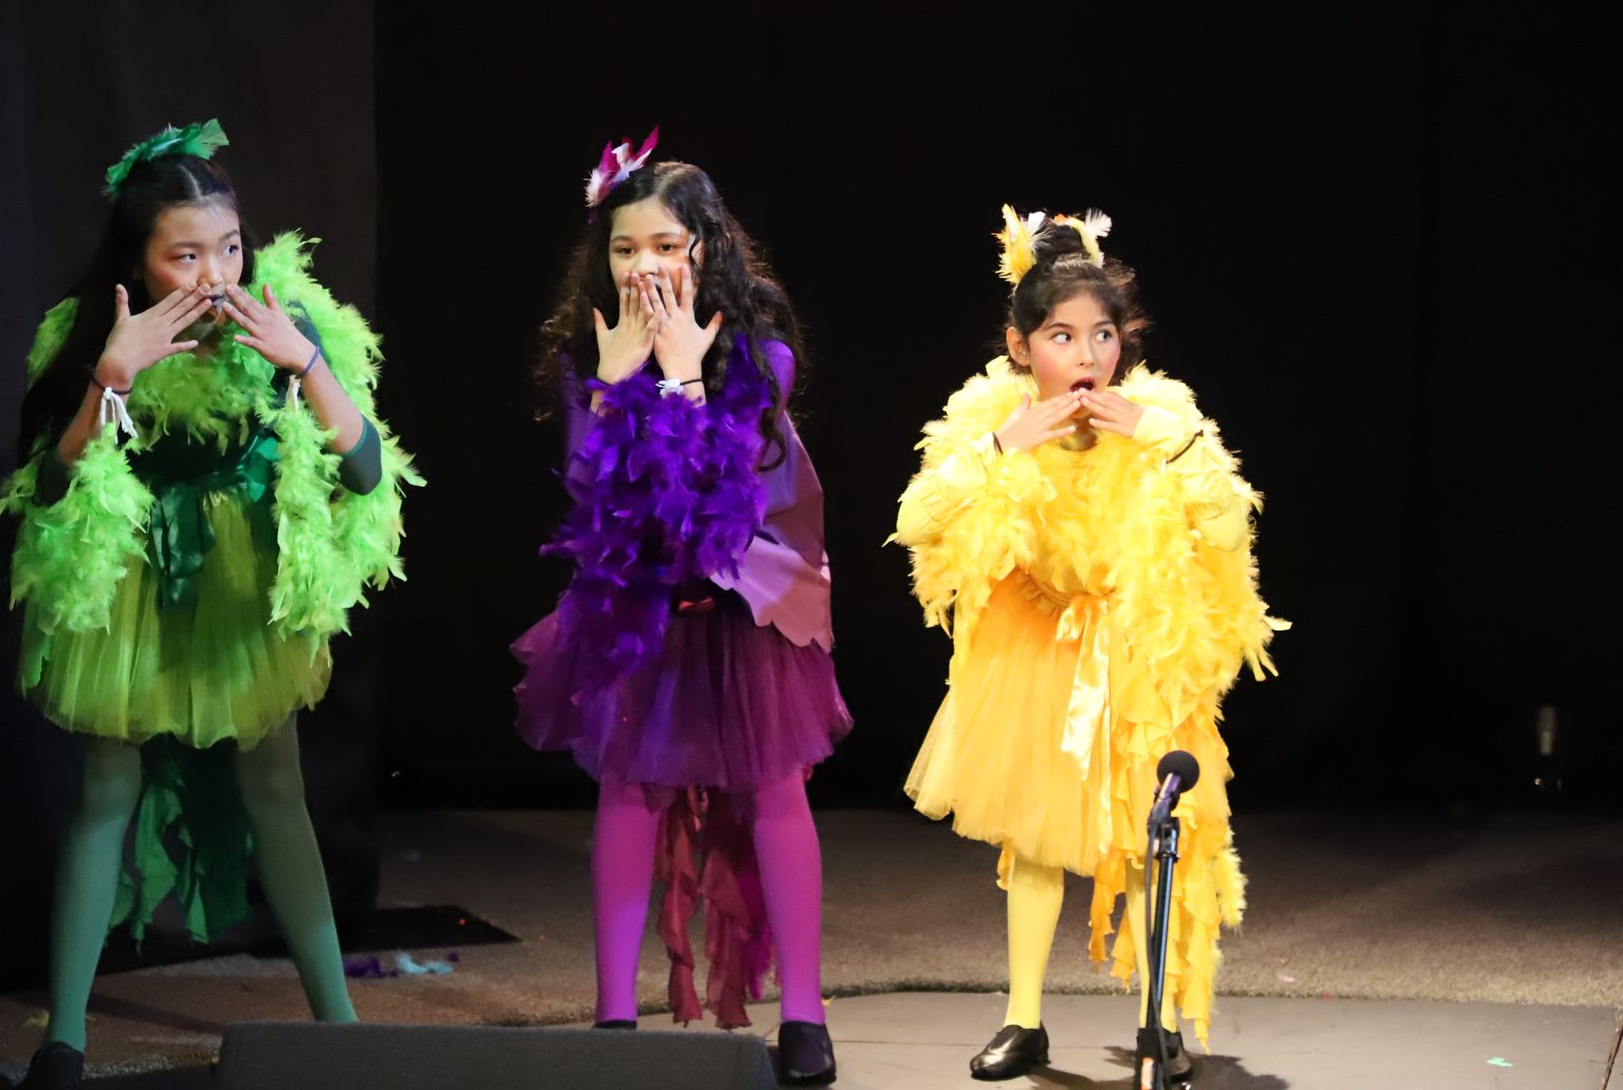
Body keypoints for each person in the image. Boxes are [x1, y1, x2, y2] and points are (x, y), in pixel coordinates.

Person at [0, 120, 417, 1088]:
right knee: (106, 791)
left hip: (240, 581)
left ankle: (340, 1027)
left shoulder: (283, 317)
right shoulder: (91, 333)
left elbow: (363, 465)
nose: (216, 272)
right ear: (137, 258)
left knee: (277, 791)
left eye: (228, 246)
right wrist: (109, 377)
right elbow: (52, 497)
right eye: (187, 253)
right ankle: (63, 1038)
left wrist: (305, 362)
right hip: (133, 577)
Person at [895, 207, 1282, 1083]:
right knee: (1034, 841)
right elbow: (914, 521)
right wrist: (1000, 447)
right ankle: (1023, 1021)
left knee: (1150, 837)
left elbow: (1227, 531)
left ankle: (1157, 1021)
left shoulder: (1160, 420)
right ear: (1021, 345)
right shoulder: (992, 427)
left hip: (1140, 649)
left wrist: (1170, 442)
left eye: (1101, 334)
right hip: (1039, 653)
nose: (1085, 355)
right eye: (1062, 335)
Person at [512, 131, 851, 1085]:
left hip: (739, 600)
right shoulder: (591, 358)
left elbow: (724, 495)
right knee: (628, 789)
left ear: (702, 249)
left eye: (664, 245)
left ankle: (805, 1017)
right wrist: (619, 382)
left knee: (774, 789)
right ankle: (615, 1019)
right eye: (624, 250)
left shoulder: (761, 355)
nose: (644, 266)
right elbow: (588, 487)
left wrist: (689, 374)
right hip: (639, 604)